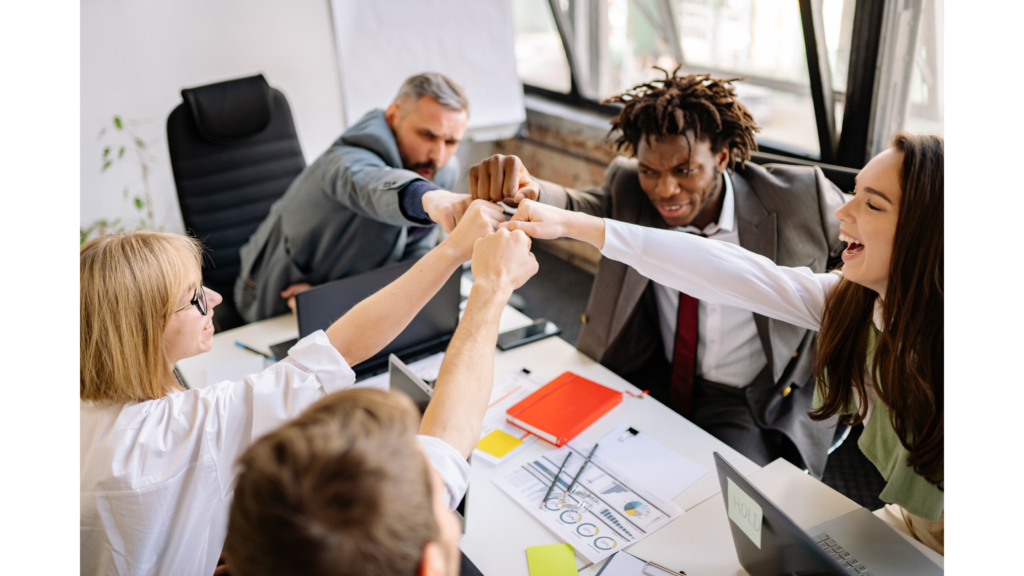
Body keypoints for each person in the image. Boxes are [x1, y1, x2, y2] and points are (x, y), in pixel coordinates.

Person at [502, 133, 944, 554]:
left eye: (873, 204)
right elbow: (729, 271)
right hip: (908, 520)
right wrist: (571, 223)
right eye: (853, 191)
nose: (842, 212)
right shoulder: (851, 304)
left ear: (925, 231)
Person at [80, 200, 524, 575]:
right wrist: (482, 277)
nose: (214, 299)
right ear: (140, 331)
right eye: (194, 297)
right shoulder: (187, 431)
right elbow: (342, 351)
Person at [469, 70, 847, 476]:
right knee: (569, 466)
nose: (665, 189)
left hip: (751, 397)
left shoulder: (800, 197)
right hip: (653, 372)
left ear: (721, 158)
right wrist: (530, 190)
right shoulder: (629, 185)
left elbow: (872, 259)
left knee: (728, 503)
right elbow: (577, 207)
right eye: (650, 171)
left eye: (685, 170)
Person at [222, 226, 538, 576]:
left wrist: (460, 257)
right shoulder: (406, 524)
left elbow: (444, 442)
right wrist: (493, 286)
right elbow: (451, 433)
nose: (433, 478)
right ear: (428, 566)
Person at [235, 72, 475, 323]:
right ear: (393, 116)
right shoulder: (345, 158)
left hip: (342, 296)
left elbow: (414, 257)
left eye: (451, 142)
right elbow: (371, 184)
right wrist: (429, 198)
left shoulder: (440, 171)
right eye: (427, 136)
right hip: (273, 294)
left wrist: (338, 298)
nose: (437, 156)